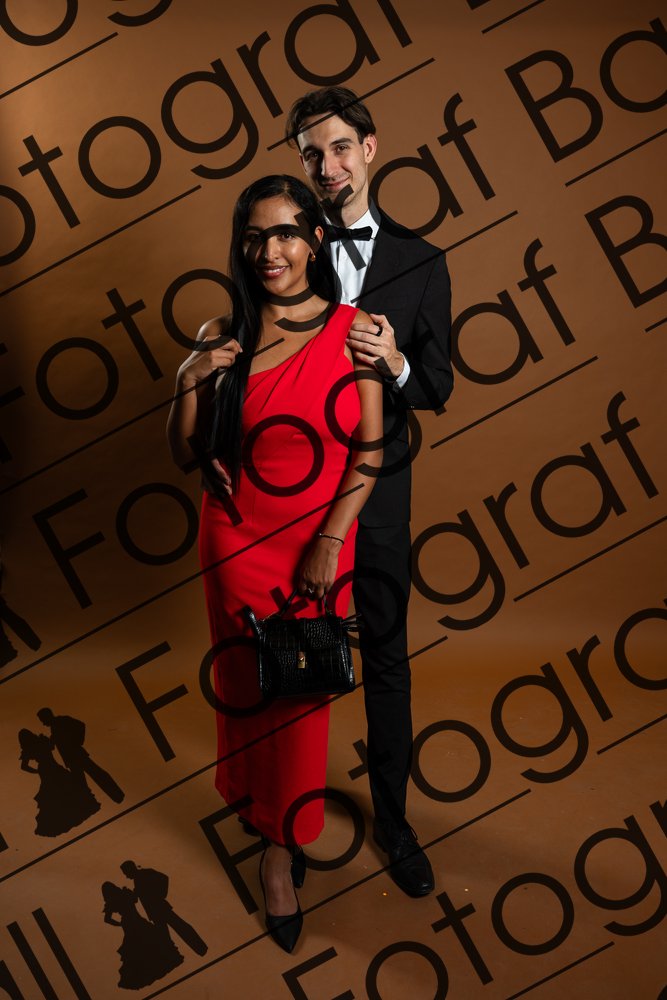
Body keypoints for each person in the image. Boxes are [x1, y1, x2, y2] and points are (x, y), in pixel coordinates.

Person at [167, 174, 383, 952]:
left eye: (287, 232)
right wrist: (189, 381)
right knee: (246, 687)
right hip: (234, 537)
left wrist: (330, 540)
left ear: (316, 240)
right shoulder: (221, 332)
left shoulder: (356, 331)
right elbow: (183, 450)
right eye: (255, 236)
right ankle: (255, 806)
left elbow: (371, 448)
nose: (270, 251)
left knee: (300, 697)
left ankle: (280, 853)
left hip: (317, 543)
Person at [283, 86, 453, 897]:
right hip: (293, 491)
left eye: (340, 147)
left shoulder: (423, 261)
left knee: (385, 656)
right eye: (312, 154)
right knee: (294, 661)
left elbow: (437, 386)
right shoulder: (284, 250)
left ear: (370, 148)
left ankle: (394, 823)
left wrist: (394, 361)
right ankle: (284, 833)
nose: (328, 166)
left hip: (380, 494)